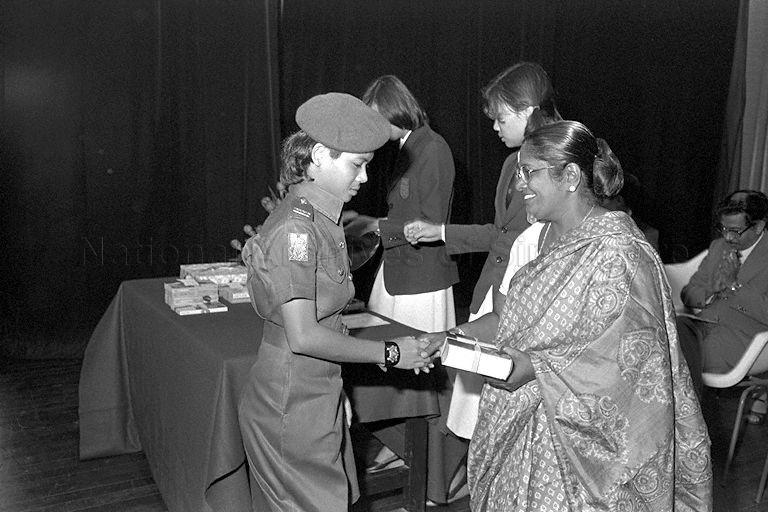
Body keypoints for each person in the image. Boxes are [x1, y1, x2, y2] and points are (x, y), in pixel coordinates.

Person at [420, 120, 713, 511]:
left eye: (530, 173)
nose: (519, 184)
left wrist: (537, 369)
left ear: (571, 176)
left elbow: (634, 367)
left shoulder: (620, 253)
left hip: (583, 455)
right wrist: (451, 336)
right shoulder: (532, 238)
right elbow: (507, 319)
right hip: (520, 426)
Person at [237, 92, 433, 512]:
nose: (363, 178)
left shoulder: (319, 218)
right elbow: (304, 336)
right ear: (321, 156)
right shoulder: (298, 229)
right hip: (289, 405)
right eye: (357, 165)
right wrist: (392, 352)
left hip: (314, 394)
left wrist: (336, 393)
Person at [405, 62, 562, 442]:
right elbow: (500, 233)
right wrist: (440, 232)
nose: (494, 126)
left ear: (528, 111)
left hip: (526, 305)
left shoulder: (557, 163)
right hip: (492, 293)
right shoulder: (512, 163)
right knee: (474, 417)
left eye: (501, 117)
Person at [346, 75, 462, 505]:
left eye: (377, 117)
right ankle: (400, 448)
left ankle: (430, 476)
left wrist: (373, 225)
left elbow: (429, 223)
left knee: (421, 378)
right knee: (388, 369)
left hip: (421, 281)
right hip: (395, 274)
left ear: (396, 109)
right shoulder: (404, 149)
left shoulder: (434, 149)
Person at [676, 190, 768, 402]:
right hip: (702, 326)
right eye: (723, 228)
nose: (727, 237)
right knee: (652, 341)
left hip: (746, 340)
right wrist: (711, 292)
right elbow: (689, 293)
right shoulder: (719, 246)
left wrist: (735, 286)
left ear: (759, 226)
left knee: (673, 361)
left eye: (735, 231)